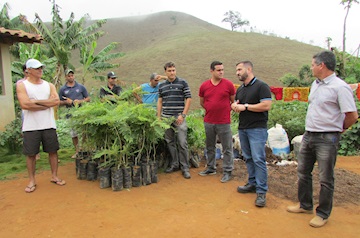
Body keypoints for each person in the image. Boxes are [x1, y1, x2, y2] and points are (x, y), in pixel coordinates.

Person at [286, 51, 358, 228]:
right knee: (303, 171)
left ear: (322, 65)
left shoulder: (340, 87)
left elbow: (352, 115)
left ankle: (323, 213)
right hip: (309, 134)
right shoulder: (315, 84)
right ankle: (305, 205)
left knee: (325, 177)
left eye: (312, 64)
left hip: (327, 137)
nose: (311, 68)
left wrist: (339, 130)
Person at [16, 59, 65, 193]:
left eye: (41, 68)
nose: (40, 70)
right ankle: (32, 180)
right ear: (29, 70)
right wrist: (46, 103)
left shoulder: (49, 85)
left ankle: (54, 176)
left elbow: (56, 101)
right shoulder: (22, 85)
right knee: (31, 154)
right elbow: (25, 104)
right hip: (31, 126)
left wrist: (36, 102)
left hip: (48, 124)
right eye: (37, 68)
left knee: (53, 151)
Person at [231, 60, 272, 207]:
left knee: (258, 159)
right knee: (248, 157)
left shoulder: (262, 86)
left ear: (249, 69)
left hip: (257, 129)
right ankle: (252, 183)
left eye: (240, 70)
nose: (237, 73)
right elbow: (239, 104)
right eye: (236, 70)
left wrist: (245, 107)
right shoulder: (241, 89)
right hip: (243, 128)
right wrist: (235, 106)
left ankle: (261, 192)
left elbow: (266, 105)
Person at [198, 61, 235, 183]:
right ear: (212, 71)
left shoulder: (228, 85)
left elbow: (233, 101)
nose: (221, 72)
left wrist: (223, 111)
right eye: (219, 70)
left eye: (222, 70)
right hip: (209, 121)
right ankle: (210, 168)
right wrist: (211, 109)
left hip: (224, 121)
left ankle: (228, 171)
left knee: (227, 147)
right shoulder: (204, 86)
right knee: (210, 146)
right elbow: (202, 102)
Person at [157, 62, 192, 179]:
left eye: (173, 70)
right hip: (166, 118)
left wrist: (183, 115)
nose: (172, 73)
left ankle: (185, 167)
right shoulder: (162, 86)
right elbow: (160, 101)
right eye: (169, 71)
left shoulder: (183, 82)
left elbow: (188, 99)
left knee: (182, 142)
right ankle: (175, 164)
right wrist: (158, 117)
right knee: (169, 141)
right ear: (165, 72)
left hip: (179, 117)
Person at [58, 69, 90, 158]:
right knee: (74, 134)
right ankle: (77, 151)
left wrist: (80, 101)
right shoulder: (63, 89)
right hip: (70, 114)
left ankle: (84, 149)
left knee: (84, 132)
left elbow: (88, 98)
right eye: (69, 76)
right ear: (66, 77)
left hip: (81, 113)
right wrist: (66, 102)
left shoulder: (80, 87)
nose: (71, 77)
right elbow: (59, 102)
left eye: (72, 75)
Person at [17, 64, 40, 161]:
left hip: (40, 110)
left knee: (41, 130)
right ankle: (33, 153)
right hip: (27, 111)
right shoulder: (21, 83)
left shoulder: (39, 83)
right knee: (30, 132)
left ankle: (39, 152)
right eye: (26, 72)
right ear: (24, 72)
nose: (28, 73)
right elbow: (25, 102)